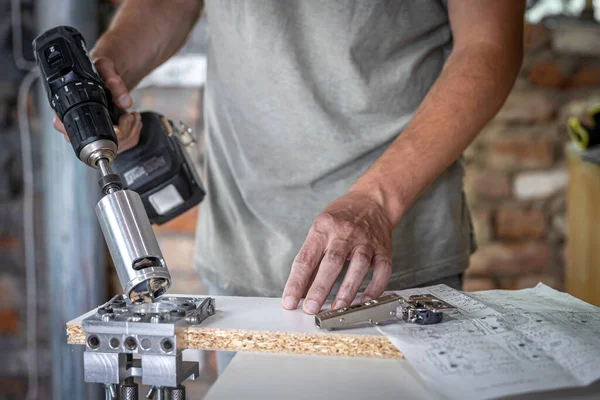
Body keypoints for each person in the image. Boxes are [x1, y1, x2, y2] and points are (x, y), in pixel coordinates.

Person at [54, 0, 525, 373]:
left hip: (393, 265)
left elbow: (490, 43)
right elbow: (167, 4)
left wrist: (377, 199)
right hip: (242, 251)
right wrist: (106, 73)